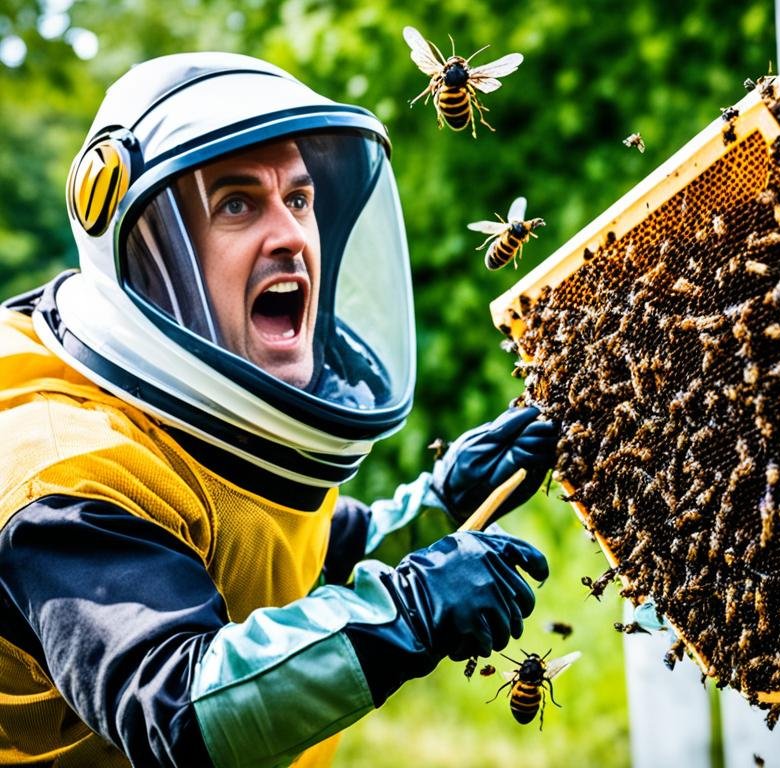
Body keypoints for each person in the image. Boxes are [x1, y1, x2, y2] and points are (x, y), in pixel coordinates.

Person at [0, 52, 557, 767]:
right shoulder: (60, 478)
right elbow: (177, 708)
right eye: (237, 204)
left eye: (298, 201)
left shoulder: (193, 428)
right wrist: (409, 613)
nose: (293, 235)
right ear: (152, 260)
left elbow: (289, 556)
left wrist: (440, 506)